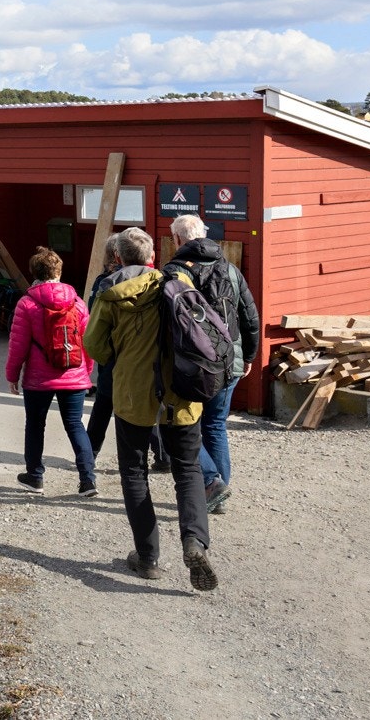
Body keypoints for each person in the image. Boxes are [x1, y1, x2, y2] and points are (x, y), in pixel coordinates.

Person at [83, 226, 218, 591]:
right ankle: (194, 541)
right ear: (152, 258)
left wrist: (121, 351)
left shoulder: (111, 295)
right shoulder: (177, 286)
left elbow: (95, 347)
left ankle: (148, 558)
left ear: (119, 259)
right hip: (182, 396)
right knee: (187, 470)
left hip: (133, 398)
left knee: (133, 472)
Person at [165, 214, 260, 515]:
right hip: (229, 359)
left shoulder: (174, 272)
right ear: (204, 235)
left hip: (193, 365)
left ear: (177, 239)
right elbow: (250, 316)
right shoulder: (229, 268)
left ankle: (211, 482)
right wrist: (248, 356)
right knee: (216, 425)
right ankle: (219, 489)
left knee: (186, 425)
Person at [5, 247, 96, 497]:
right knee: (76, 425)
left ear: (34, 272)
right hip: (74, 374)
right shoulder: (77, 302)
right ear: (59, 271)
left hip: (38, 379)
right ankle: (88, 481)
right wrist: (86, 373)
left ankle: (35, 477)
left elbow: (18, 345)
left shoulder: (27, 303)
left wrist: (12, 376)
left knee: (35, 425)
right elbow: (87, 343)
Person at [85, 234, 171, 471]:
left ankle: (88, 455)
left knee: (105, 405)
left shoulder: (106, 284)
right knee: (147, 406)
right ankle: (163, 455)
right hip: (148, 358)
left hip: (116, 356)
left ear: (116, 255)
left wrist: (108, 356)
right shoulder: (160, 282)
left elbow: (93, 331)